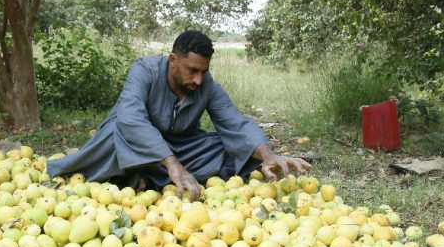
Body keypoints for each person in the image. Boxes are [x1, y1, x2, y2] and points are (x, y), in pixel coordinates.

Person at [47, 30, 311, 200]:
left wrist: (267, 154)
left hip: (179, 146)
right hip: (131, 142)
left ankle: (148, 177)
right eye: (192, 70)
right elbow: (131, 118)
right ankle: (141, 174)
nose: (198, 79)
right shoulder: (144, 70)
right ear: (173, 60)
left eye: (204, 72)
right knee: (118, 130)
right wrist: (173, 165)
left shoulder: (206, 86)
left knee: (226, 149)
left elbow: (234, 122)